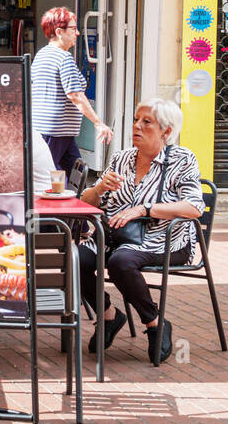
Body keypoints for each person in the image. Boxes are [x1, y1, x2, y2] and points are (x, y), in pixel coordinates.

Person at [77, 98, 202, 364]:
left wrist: (145, 209)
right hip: (114, 237)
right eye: (136, 120)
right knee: (75, 257)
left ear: (166, 132)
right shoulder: (122, 158)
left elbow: (194, 207)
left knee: (121, 262)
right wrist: (99, 189)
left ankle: (155, 323)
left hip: (164, 240)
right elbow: (85, 202)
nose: (137, 126)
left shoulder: (181, 159)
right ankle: (109, 315)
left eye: (147, 122)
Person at [32, 6, 113, 174]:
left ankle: (75, 199)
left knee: (76, 173)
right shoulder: (63, 58)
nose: (77, 33)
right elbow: (75, 95)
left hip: (52, 129)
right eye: (73, 29)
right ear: (59, 31)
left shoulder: (42, 55)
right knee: (50, 177)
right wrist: (98, 123)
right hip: (55, 131)